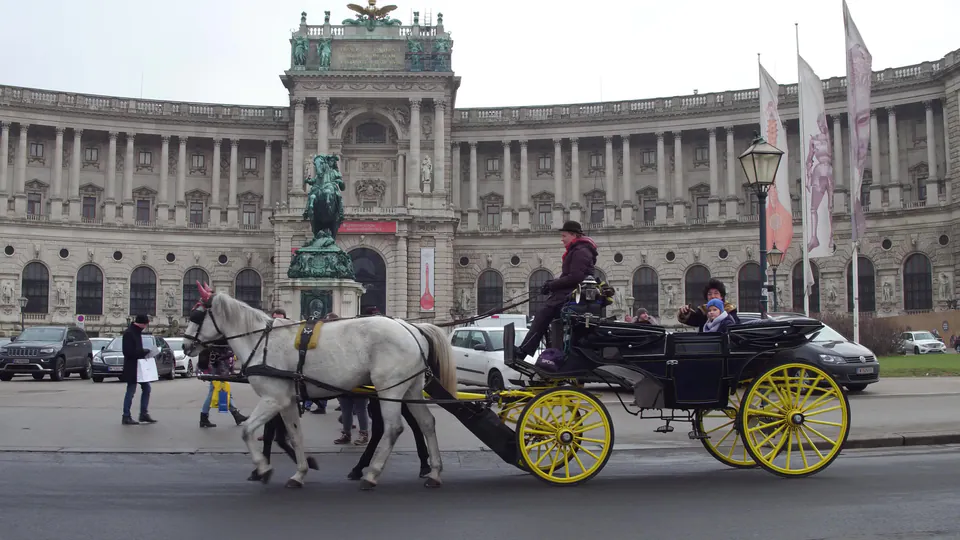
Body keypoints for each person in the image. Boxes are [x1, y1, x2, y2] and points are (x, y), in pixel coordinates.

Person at [515, 220, 598, 359]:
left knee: (543, 313)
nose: (562, 239)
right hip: (570, 292)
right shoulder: (579, 250)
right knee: (546, 314)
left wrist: (552, 285)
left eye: (564, 235)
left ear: (574, 235)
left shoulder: (580, 251)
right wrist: (551, 284)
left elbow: (575, 277)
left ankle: (525, 350)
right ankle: (549, 351)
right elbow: (571, 276)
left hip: (571, 294)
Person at [348, 396, 431, 481]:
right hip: (380, 393)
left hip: (397, 393)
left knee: (415, 426)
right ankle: (424, 462)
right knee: (414, 426)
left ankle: (361, 465)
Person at [248, 413, 319, 481]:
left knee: (269, 438)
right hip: (281, 409)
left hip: (276, 408)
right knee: (280, 440)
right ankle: (303, 461)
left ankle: (264, 467)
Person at [198, 340, 248, 428]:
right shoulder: (220, 344)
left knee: (225, 393)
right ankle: (204, 417)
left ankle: (236, 415)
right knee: (215, 394)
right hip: (219, 371)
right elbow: (222, 358)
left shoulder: (221, 342)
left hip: (220, 370)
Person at [121, 315, 155, 425]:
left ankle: (143, 414)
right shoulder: (129, 333)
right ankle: (126, 416)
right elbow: (128, 352)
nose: (145, 327)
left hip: (139, 366)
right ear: (141, 323)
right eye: (145, 324)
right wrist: (143, 352)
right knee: (131, 391)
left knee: (147, 388)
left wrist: (144, 352)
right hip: (132, 367)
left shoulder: (136, 332)